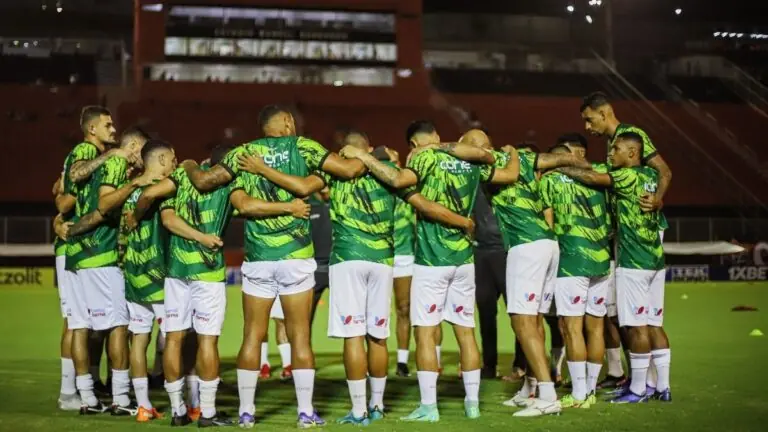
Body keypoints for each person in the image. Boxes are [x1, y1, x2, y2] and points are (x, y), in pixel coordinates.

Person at [182, 105, 365, 428]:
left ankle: (246, 412)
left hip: (258, 258)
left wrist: (189, 165)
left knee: (252, 335)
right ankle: (305, 413)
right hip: (295, 257)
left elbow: (206, 183)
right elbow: (346, 172)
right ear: (287, 122)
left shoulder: (244, 153)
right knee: (300, 336)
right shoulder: (304, 147)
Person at [342, 123, 519, 422]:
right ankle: (472, 404)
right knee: (466, 332)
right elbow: (510, 175)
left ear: (414, 142)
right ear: (438, 137)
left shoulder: (423, 158)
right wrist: (513, 152)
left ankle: (429, 407)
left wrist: (367, 158)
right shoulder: (471, 163)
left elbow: (398, 180)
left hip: (431, 261)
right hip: (463, 259)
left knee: (425, 333)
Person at [471, 139, 589, 417]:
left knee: (522, 321)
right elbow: (565, 160)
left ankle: (547, 395)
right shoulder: (523, 159)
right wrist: (584, 168)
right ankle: (530, 387)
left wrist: (512, 153)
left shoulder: (482, 169)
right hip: (548, 243)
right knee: (532, 319)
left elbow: (510, 175)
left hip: (526, 247)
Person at [557, 132, 672, 403]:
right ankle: (662, 387)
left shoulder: (627, 175)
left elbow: (594, 178)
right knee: (655, 324)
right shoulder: (650, 175)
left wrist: (560, 164)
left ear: (632, 153)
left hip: (633, 262)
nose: (611, 153)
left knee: (636, 326)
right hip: (655, 259)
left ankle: (638, 389)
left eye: (616, 149)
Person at [580, 92, 673, 390]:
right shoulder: (613, 144)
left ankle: (642, 381)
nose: (587, 126)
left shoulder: (629, 137)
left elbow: (665, 171)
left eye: (589, 118)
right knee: (626, 311)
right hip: (627, 233)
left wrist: (657, 200)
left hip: (641, 235)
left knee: (632, 312)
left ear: (604, 112)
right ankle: (645, 379)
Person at [64, 118, 147, 415]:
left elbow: (69, 189)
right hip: (101, 254)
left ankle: (86, 398)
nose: (143, 160)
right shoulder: (116, 162)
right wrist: (135, 183)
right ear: (134, 146)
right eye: (143, 152)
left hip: (78, 254)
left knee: (79, 326)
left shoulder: (92, 165)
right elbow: (104, 205)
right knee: (118, 326)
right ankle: (122, 399)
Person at [539, 135, 611, 409]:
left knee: (571, 328)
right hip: (602, 258)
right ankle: (590, 390)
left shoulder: (549, 180)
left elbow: (548, 220)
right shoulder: (600, 173)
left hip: (571, 260)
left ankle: (579, 394)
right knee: (595, 327)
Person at [120, 140, 184, 422]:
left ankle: (144, 406)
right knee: (174, 337)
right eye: (172, 158)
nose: (175, 162)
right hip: (159, 275)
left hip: (134, 275)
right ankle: (179, 404)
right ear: (159, 159)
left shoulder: (132, 189)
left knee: (139, 339)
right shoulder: (160, 190)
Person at [52, 176, 81, 411]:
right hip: (73, 251)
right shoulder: (88, 157)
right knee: (73, 321)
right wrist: (58, 221)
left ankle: (83, 386)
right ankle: (67, 392)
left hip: (92, 254)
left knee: (89, 324)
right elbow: (60, 189)